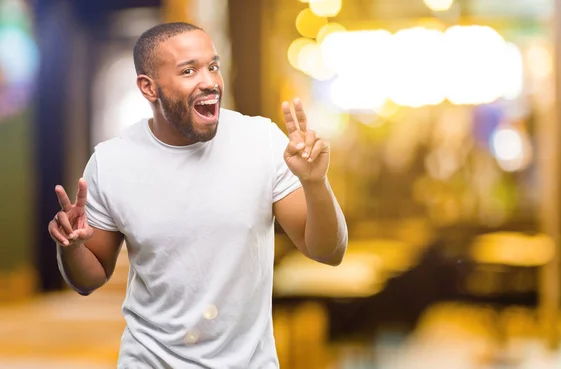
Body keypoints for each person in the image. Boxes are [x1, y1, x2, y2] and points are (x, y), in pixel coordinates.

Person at [47, 22, 348, 368]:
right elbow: (90, 277)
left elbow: (329, 251)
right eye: (188, 70)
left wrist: (315, 184)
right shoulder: (112, 161)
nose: (209, 81)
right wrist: (70, 248)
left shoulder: (262, 142)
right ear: (149, 88)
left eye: (213, 66)